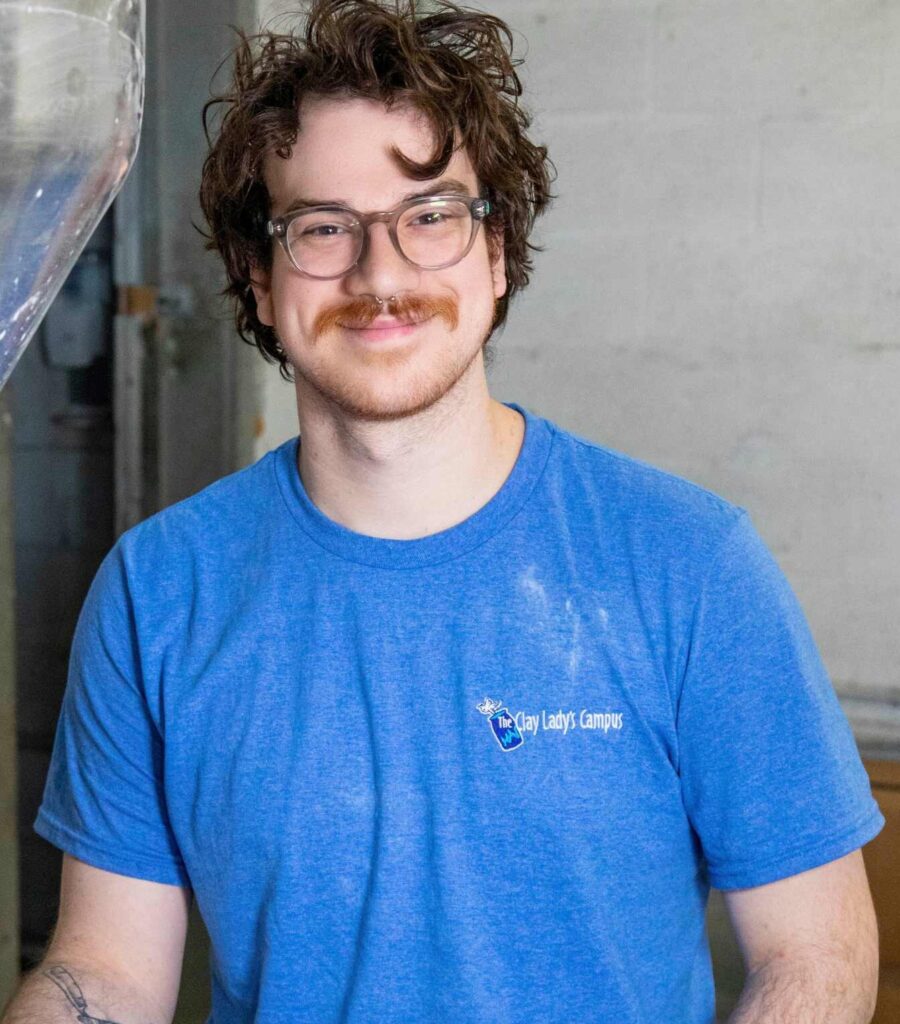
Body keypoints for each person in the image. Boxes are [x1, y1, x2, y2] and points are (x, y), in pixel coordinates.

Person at [3, 1, 884, 1022]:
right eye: (323, 226)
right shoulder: (158, 591)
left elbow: (816, 955)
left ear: (497, 251)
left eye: (431, 216)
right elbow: (104, 972)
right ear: (258, 271)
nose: (382, 276)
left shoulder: (690, 564)